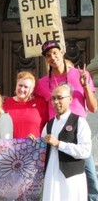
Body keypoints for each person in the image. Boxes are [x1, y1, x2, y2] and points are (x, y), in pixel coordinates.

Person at [34, 40, 98, 201]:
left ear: (62, 52)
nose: (52, 57)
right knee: (54, 180)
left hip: (76, 132)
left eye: (55, 53)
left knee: (90, 178)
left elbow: (93, 108)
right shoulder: (42, 83)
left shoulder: (80, 75)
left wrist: (84, 86)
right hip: (54, 130)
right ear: (45, 59)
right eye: (48, 55)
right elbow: (38, 108)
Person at [41, 84, 91, 201]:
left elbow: (85, 151)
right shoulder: (48, 124)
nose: (56, 101)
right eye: (53, 98)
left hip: (71, 179)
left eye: (59, 97)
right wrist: (33, 141)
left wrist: (59, 144)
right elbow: (41, 148)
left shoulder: (80, 122)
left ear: (70, 99)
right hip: (51, 177)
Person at [3, 71, 48, 139]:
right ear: (16, 85)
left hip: (34, 147)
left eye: (26, 87)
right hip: (10, 148)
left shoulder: (41, 103)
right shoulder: (5, 103)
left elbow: (49, 126)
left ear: (32, 90)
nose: (22, 89)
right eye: (20, 85)